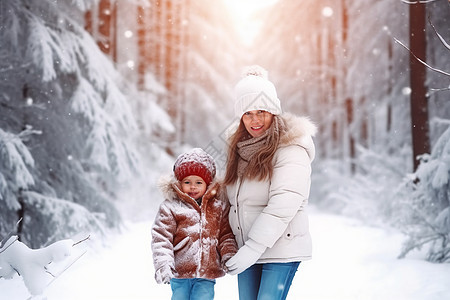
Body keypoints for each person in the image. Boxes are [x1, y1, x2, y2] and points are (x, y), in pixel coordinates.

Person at [224, 65, 317, 300]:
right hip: (246, 248)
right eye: (248, 113)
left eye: (261, 111)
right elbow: (228, 199)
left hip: (279, 249)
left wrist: (253, 248)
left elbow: (283, 203)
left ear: (273, 111)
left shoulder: (290, 147)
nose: (255, 120)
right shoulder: (238, 150)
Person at [151, 148, 238, 300]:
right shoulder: (171, 207)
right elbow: (161, 238)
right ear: (179, 183)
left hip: (207, 273)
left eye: (198, 182)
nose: (193, 187)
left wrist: (228, 254)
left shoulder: (218, 208)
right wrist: (163, 263)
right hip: (180, 273)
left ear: (208, 184)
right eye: (187, 182)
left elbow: (225, 235)